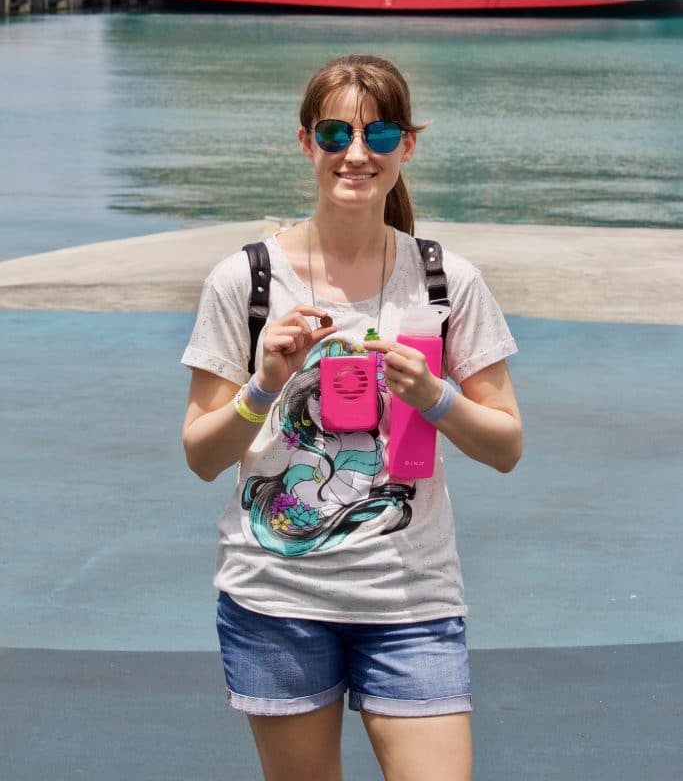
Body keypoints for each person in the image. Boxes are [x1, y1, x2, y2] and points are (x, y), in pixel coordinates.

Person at [181, 53, 523, 781]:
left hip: (411, 598)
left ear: (408, 145)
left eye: (380, 135)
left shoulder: (444, 280)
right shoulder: (245, 280)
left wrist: (434, 395)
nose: (356, 154)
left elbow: (505, 445)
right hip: (275, 601)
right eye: (334, 135)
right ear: (306, 143)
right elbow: (203, 454)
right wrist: (265, 384)